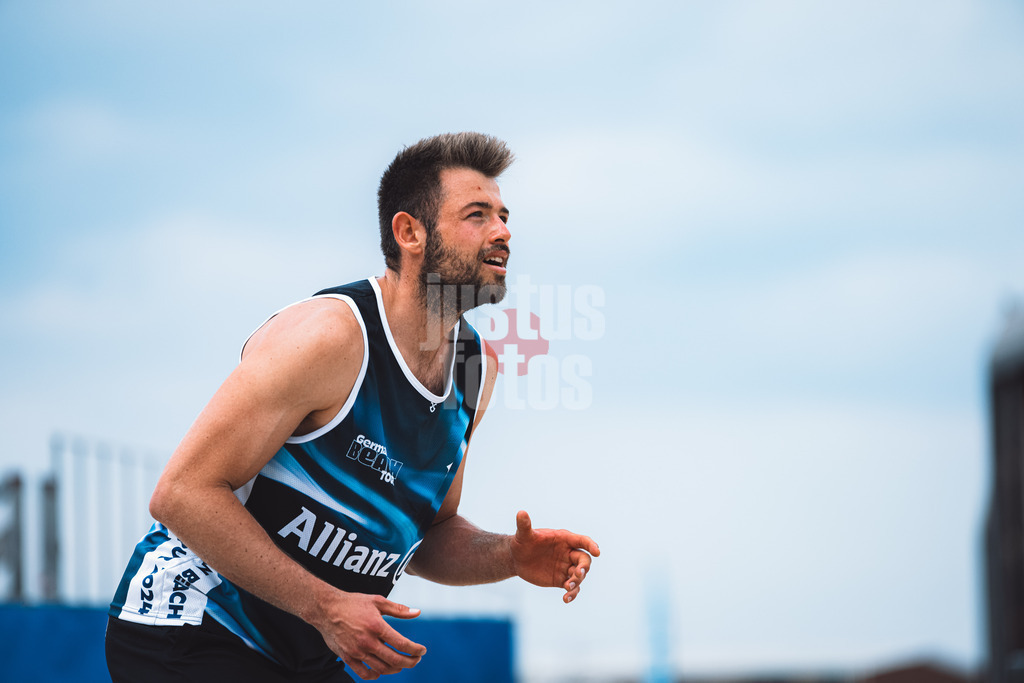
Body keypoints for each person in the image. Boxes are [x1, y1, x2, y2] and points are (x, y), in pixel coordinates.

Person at [105, 132, 600, 682]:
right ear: (409, 232)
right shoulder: (329, 336)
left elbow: (428, 534)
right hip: (191, 626)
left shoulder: (474, 370)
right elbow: (182, 494)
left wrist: (509, 556)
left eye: (505, 216)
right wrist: (328, 607)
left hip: (306, 645)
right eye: (478, 215)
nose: (504, 232)